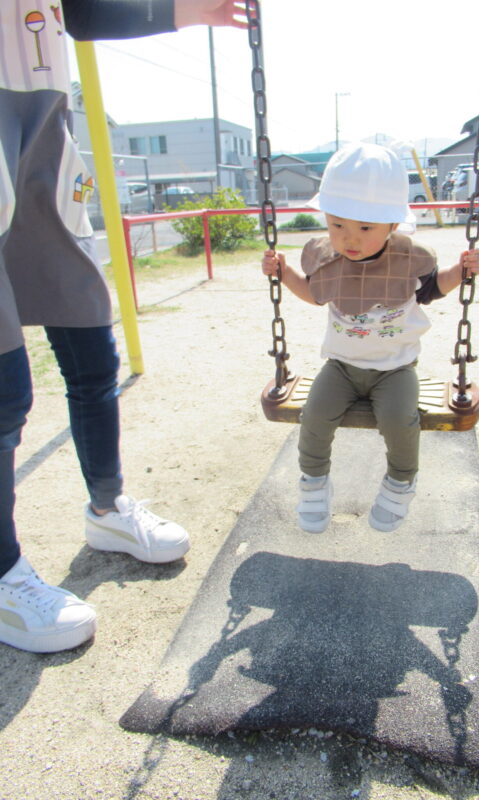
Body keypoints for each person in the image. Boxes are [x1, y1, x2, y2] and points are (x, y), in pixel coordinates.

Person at [0, 0, 248, 654]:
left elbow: (78, 11)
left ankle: (107, 510)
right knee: (6, 393)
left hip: (43, 131)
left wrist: (187, 10)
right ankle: (1, 573)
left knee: (92, 353)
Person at [262, 142, 479, 534]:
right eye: (337, 225)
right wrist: (283, 273)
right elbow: (313, 294)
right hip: (341, 368)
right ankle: (314, 483)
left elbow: (435, 288)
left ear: (392, 225)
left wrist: (462, 270)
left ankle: (400, 482)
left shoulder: (407, 262)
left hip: (395, 370)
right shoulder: (328, 261)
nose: (350, 238)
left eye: (365, 228)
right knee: (314, 418)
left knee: (401, 422)